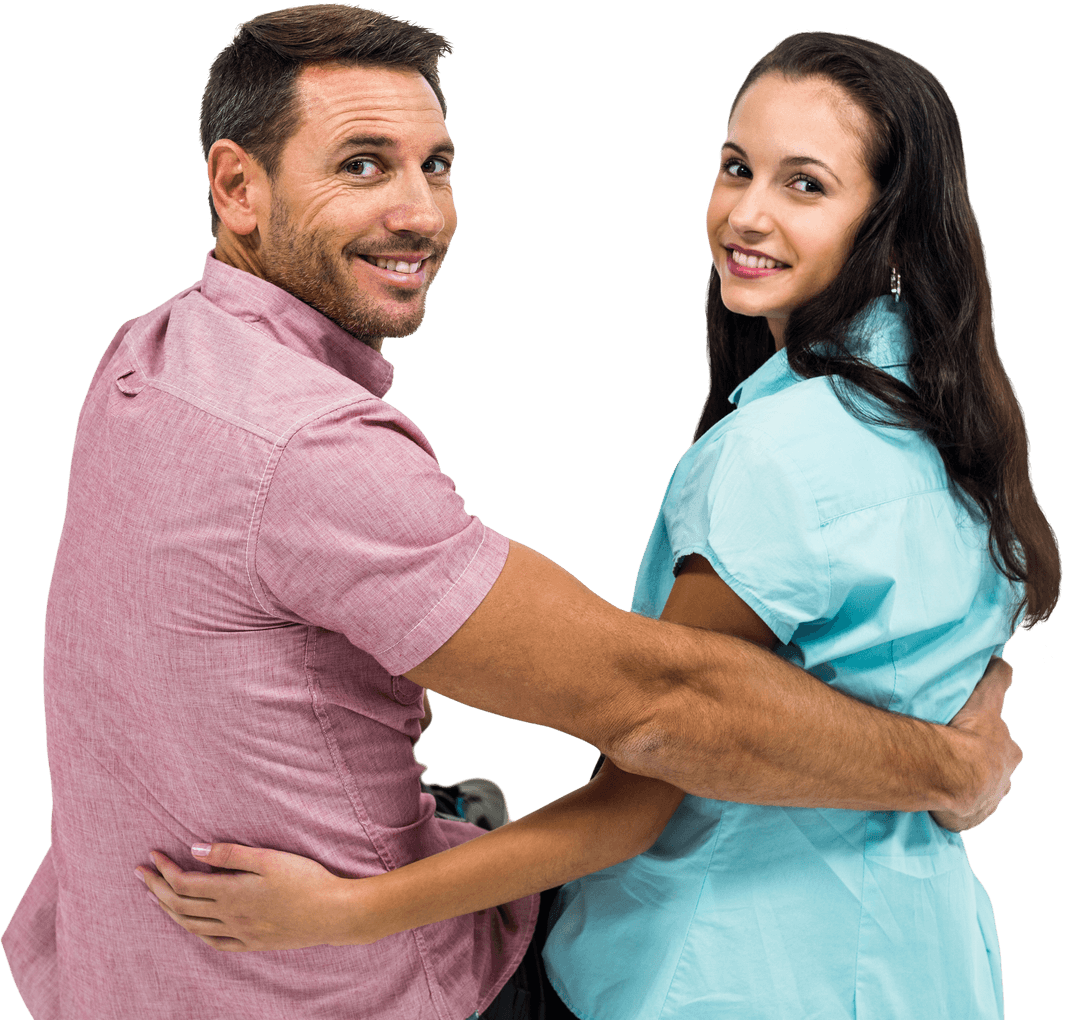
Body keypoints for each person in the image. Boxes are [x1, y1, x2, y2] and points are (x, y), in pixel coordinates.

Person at [2, 10, 1028, 1020]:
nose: (421, 214)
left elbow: (650, 741)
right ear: (238, 187)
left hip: (130, 968)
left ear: (888, 220)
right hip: (365, 989)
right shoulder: (946, 420)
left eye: (436, 166)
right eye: (363, 165)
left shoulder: (145, 357)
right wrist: (954, 766)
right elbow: (659, 709)